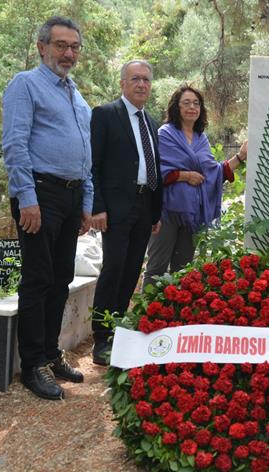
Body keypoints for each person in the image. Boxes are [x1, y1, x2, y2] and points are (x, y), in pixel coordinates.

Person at [2, 16, 90, 401]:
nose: (68, 53)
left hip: (70, 197)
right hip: (39, 193)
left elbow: (85, 153)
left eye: (73, 47)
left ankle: (51, 353)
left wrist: (85, 202)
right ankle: (32, 363)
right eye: (60, 45)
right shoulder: (26, 85)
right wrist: (27, 198)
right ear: (42, 47)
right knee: (38, 279)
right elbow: (15, 144)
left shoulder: (76, 94)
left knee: (60, 279)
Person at [90, 60, 163, 365]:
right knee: (113, 269)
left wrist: (156, 212)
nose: (142, 84)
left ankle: (119, 330)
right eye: (135, 79)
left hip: (145, 207)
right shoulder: (105, 115)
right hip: (116, 207)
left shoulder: (152, 122)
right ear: (122, 83)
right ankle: (101, 338)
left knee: (133, 269)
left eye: (146, 79)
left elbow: (154, 167)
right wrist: (97, 206)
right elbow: (93, 163)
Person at [143, 85, 248, 287]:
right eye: (186, 103)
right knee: (157, 268)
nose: (192, 107)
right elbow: (155, 172)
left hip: (192, 215)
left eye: (196, 103)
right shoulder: (165, 134)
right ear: (176, 107)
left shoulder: (201, 138)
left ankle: (176, 316)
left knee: (183, 270)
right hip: (167, 213)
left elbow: (212, 173)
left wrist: (240, 157)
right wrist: (185, 176)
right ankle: (147, 315)